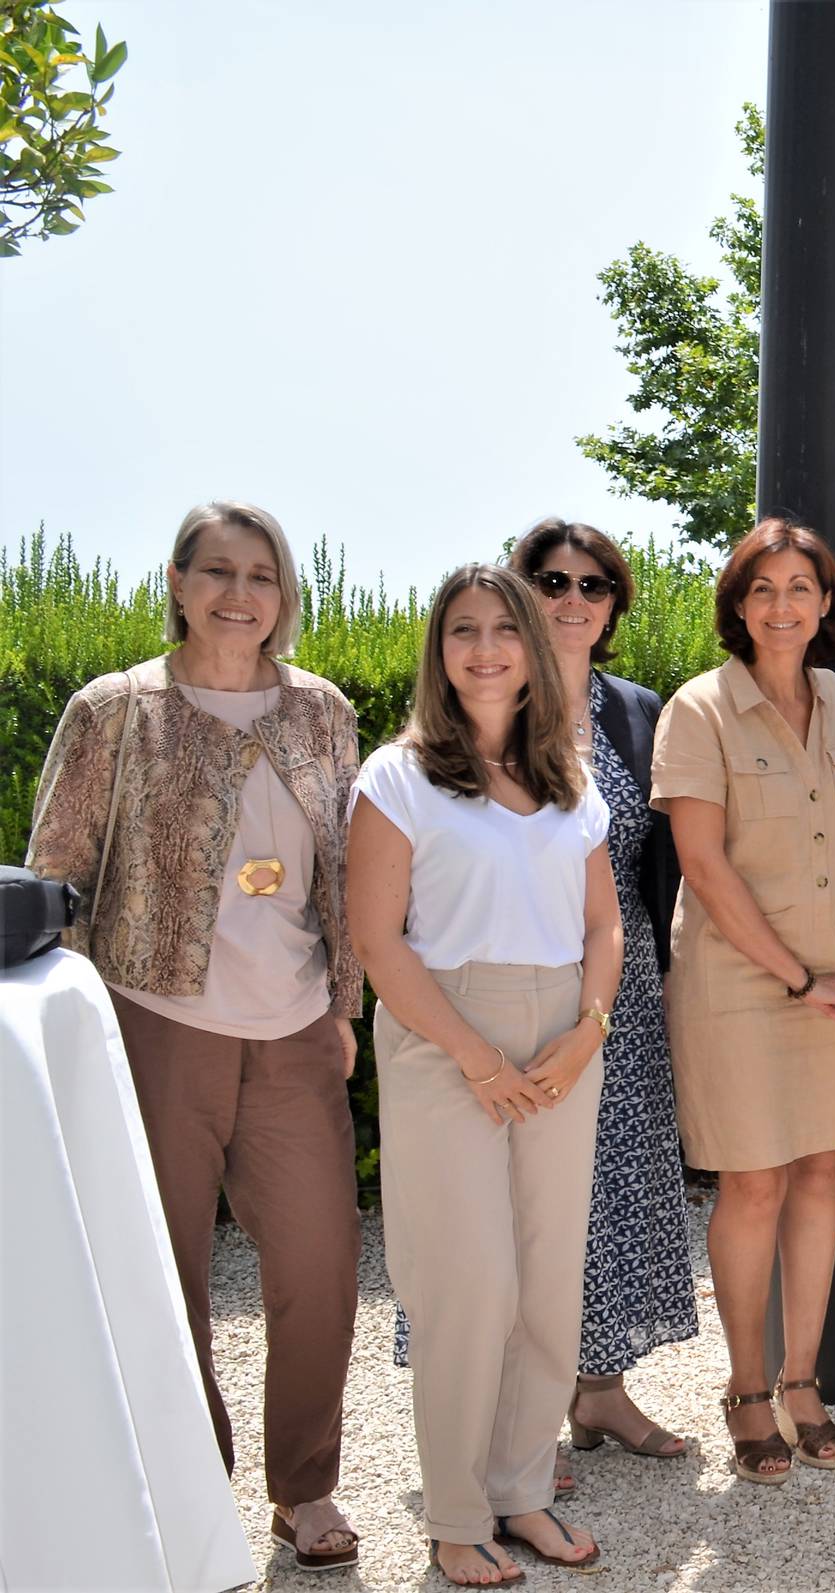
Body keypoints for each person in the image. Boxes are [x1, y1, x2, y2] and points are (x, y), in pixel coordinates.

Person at [25, 501, 366, 1573]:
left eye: (261, 574)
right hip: (153, 1026)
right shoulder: (112, 708)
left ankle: (303, 1490)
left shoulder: (323, 712)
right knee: (160, 1273)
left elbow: (351, 873)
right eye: (215, 570)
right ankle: (191, 1490)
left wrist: (346, 1010)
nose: (238, 593)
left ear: (285, 594)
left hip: (297, 1029)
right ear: (175, 583)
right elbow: (51, 879)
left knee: (322, 1267)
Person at [398, 519, 690, 1466]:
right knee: (495, 1207)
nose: (573, 599)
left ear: (614, 607)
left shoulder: (637, 711)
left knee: (600, 1197)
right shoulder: (469, 721)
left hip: (617, 983)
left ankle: (597, 1394)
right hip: (490, 984)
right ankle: (505, 1412)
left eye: (595, 585)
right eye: (551, 581)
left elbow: (659, 859)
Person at [348, 564, 618, 1584]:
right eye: (463, 630)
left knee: (546, 1282)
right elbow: (377, 940)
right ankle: (455, 1516)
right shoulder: (397, 777)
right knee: (467, 1282)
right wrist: (472, 1056)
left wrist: (587, 1030)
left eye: (504, 628)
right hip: (439, 1035)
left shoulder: (570, 778)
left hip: (561, 1036)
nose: (487, 647)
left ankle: (522, 1493)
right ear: (439, 650)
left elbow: (602, 924)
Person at [651, 517, 835, 1482]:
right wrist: (801, 977)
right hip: (743, 984)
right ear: (738, 607)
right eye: (763, 589)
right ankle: (746, 1388)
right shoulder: (697, 709)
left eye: (800, 587)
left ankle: (803, 1381)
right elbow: (701, 867)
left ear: (826, 601)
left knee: (822, 1174)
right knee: (753, 1182)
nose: (782, 605)